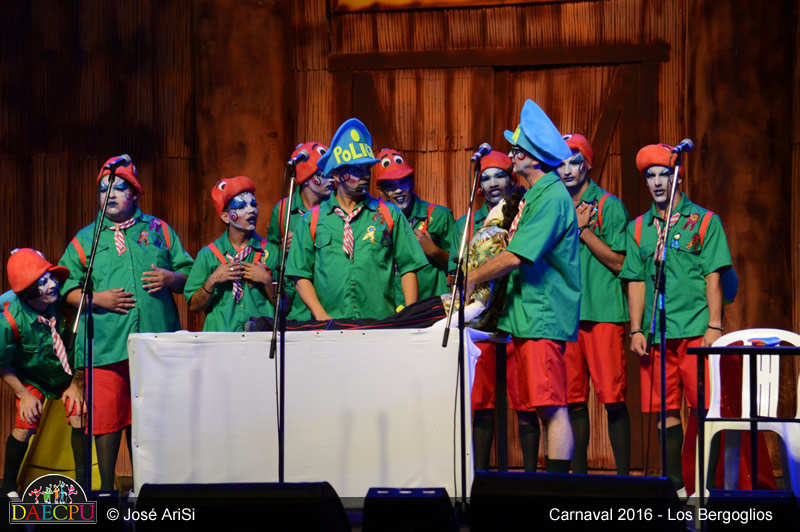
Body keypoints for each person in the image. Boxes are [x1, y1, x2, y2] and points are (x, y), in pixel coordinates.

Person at [59, 156, 194, 491]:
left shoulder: (159, 230)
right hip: (107, 345)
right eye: (104, 190)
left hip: (154, 345)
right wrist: (97, 299)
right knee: (106, 420)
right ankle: (106, 490)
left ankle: (146, 489)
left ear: (134, 193)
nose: (111, 195)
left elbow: (191, 277)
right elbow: (64, 289)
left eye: (119, 188)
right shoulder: (86, 239)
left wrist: (170, 278)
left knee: (148, 420)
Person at [466, 100, 580, 473]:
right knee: (543, 405)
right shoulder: (535, 195)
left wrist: (472, 277)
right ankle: (550, 484)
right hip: (528, 315)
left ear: (531, 157)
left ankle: (558, 489)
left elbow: (517, 256)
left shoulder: (551, 198)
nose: (512, 156)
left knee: (552, 405)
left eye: (516, 150)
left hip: (542, 314)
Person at [619, 143, 733, 495]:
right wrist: (636, 328)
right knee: (664, 410)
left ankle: (705, 489)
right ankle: (677, 489)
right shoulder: (639, 228)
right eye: (650, 176)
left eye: (664, 174)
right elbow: (636, 281)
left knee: (704, 409)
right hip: (657, 334)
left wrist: (715, 326)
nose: (657, 182)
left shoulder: (704, 221)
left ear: (678, 177)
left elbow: (714, 276)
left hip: (697, 330)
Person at [286, 118, 427, 320]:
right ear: (337, 174)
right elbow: (300, 274)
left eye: (367, 168)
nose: (365, 175)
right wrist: (321, 315)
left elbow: (409, 267)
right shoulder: (312, 220)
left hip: (380, 325)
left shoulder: (389, 214)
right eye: (356, 169)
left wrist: (409, 315)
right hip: (329, 327)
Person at [556, 133, 631, 475]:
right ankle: (579, 480)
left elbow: (620, 263)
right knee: (573, 402)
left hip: (602, 313)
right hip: (566, 317)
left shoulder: (608, 205)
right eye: (560, 163)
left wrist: (584, 231)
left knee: (613, 399)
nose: (567, 169)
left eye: (574, 162)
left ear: (587, 164)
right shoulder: (554, 206)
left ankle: (625, 481)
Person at [1, 249, 84, 499]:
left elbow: (82, 348)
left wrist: (77, 384)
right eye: (43, 281)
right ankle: (8, 488)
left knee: (79, 413)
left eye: (51, 277)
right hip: (32, 377)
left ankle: (82, 486)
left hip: (66, 374)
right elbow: (3, 363)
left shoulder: (63, 305)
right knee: (25, 424)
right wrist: (23, 394)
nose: (53, 284)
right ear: (28, 291)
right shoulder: (10, 321)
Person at [185, 176, 278, 331]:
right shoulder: (208, 255)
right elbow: (194, 306)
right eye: (241, 206)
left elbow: (286, 307)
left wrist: (267, 282)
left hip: (260, 339)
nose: (251, 210)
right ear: (225, 217)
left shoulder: (272, 252)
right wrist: (212, 281)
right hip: (220, 340)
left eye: (253, 204)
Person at [375, 148, 454, 306]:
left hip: (432, 308)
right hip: (391, 310)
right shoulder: (373, 222)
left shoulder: (440, 216)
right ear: (382, 191)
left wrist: (434, 251)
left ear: (412, 182)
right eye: (390, 185)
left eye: (403, 181)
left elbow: (461, 267)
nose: (398, 190)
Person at [267, 143, 334, 321]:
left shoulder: (335, 209)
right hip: (295, 308)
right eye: (324, 174)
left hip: (328, 301)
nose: (331, 180)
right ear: (306, 178)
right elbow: (271, 254)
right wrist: (282, 249)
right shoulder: (283, 210)